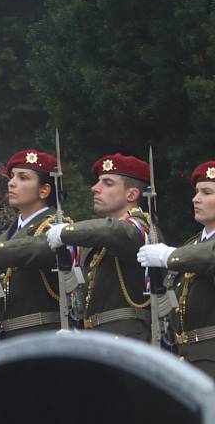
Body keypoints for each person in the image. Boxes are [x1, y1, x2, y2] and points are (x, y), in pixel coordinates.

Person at [0, 150, 68, 352]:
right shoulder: (7, 236)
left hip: (42, 340)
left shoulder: (59, 227)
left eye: (23, 178)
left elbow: (39, 248)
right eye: (12, 177)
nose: (11, 183)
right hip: (6, 342)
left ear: (44, 190)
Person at [47, 153, 152, 340]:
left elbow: (113, 231)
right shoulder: (100, 241)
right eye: (98, 182)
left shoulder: (140, 228)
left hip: (127, 338)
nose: (95, 188)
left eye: (107, 183)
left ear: (132, 194)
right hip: (99, 337)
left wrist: (66, 231)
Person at [138, 161, 215, 377]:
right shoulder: (191, 246)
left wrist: (169, 256)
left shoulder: (183, 253)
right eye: (197, 192)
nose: (196, 198)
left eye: (207, 192)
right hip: (187, 357)